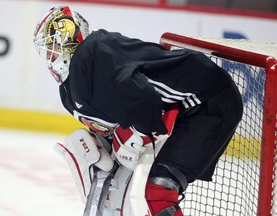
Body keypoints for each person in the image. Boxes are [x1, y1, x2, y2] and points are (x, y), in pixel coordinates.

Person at [33, 5, 243, 216]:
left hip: (208, 100)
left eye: (52, 47)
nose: (49, 57)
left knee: (158, 190)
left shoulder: (91, 61)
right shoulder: (72, 88)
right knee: (126, 200)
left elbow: (147, 105)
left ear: (68, 39)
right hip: (184, 106)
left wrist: (130, 138)